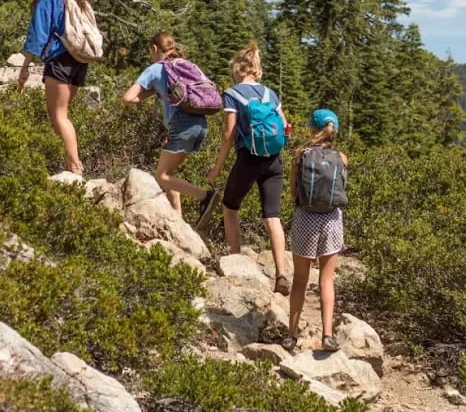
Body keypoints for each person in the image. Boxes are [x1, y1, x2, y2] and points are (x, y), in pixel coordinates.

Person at [206, 41, 290, 296]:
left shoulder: (232, 94)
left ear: (238, 69)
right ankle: (282, 273)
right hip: (273, 159)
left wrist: (217, 168)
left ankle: (236, 263)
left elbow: (229, 133)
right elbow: (286, 127)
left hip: (248, 159)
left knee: (230, 207)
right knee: (272, 217)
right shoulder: (270, 94)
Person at [122, 32, 218, 221]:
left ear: (155, 48)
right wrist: (157, 91)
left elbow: (128, 98)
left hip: (181, 125)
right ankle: (177, 220)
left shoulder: (155, 69)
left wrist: (147, 92)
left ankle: (205, 196)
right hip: (200, 123)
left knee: (162, 176)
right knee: (170, 175)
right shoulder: (186, 64)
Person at [282, 109, 348, 353]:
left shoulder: (300, 156)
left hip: (305, 219)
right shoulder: (341, 158)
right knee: (326, 279)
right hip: (331, 220)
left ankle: (291, 335)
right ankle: (328, 335)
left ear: (311, 128)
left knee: (300, 280)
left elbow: (292, 193)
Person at [18, 0, 89, 174]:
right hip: (80, 59)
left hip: (59, 58)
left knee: (58, 116)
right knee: (62, 114)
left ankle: (75, 167)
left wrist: (25, 66)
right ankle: (70, 164)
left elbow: (38, 34)